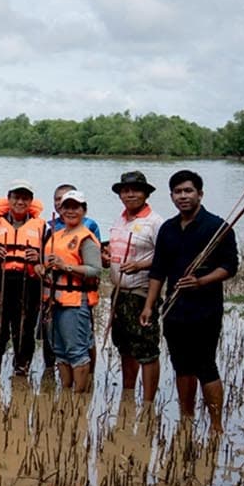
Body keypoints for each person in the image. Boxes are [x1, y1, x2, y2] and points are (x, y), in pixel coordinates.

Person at [142, 170, 238, 430]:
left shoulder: (217, 227)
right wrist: (149, 305)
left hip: (205, 309)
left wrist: (201, 281)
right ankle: (187, 420)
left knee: (205, 365)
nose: (183, 196)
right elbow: (158, 271)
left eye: (188, 191)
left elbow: (230, 266)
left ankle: (216, 426)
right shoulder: (168, 229)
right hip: (174, 309)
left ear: (200, 194)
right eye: (178, 192)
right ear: (171, 196)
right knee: (182, 366)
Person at [105, 170, 163, 401]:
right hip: (119, 293)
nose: (130, 195)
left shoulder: (155, 222)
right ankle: (127, 394)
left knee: (146, 349)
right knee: (124, 345)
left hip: (141, 294)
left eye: (135, 190)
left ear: (146, 194)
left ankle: (148, 402)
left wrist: (140, 265)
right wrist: (106, 256)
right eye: (125, 191)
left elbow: (165, 259)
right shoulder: (119, 220)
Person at [0, 181, 46, 378]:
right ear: (8, 199)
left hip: (28, 283)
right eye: (16, 197)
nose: (20, 202)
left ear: (31, 201)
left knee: (24, 328)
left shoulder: (42, 226)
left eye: (25, 198)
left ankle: (21, 370)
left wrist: (39, 258)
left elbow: (48, 260)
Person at [41, 190, 102, 392]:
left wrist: (66, 266)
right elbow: (47, 264)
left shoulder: (86, 238)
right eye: (66, 207)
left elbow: (95, 270)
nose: (70, 211)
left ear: (84, 210)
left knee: (76, 352)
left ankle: (79, 397)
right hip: (53, 302)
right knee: (59, 351)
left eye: (76, 207)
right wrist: (42, 268)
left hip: (75, 303)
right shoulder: (56, 235)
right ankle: (66, 393)